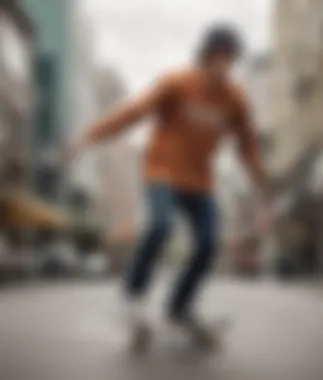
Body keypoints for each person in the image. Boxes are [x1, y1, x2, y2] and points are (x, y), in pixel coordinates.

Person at [68, 23, 272, 352]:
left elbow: (247, 144)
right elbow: (133, 113)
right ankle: (131, 297)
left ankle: (178, 307)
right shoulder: (177, 83)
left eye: (230, 61)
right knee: (160, 225)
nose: (224, 68)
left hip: (201, 182)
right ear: (205, 57)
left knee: (208, 244)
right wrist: (88, 137)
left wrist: (261, 180)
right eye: (219, 59)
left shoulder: (236, 99)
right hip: (161, 172)